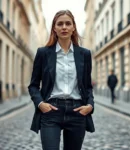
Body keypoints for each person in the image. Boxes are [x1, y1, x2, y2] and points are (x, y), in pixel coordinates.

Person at [28, 10, 95, 150]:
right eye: (60, 24)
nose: (64, 27)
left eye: (68, 23)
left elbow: (88, 86)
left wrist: (89, 106)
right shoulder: (43, 53)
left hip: (77, 111)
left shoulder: (84, 54)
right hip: (51, 111)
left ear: (73, 27)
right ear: (54, 28)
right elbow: (33, 85)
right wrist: (40, 104)